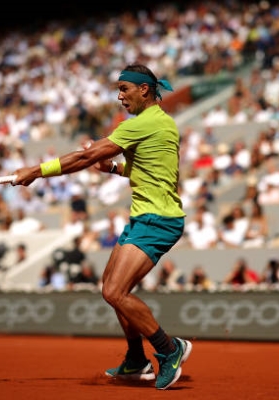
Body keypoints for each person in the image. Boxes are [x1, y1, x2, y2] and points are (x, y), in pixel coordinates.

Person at [10, 64, 191, 389]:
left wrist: (35, 171)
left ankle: (169, 349)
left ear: (144, 90)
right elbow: (155, 172)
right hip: (145, 217)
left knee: (114, 292)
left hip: (157, 221)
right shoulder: (161, 123)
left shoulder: (142, 124)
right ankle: (136, 360)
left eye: (124, 89)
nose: (119, 96)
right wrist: (114, 169)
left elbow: (83, 158)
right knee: (111, 287)